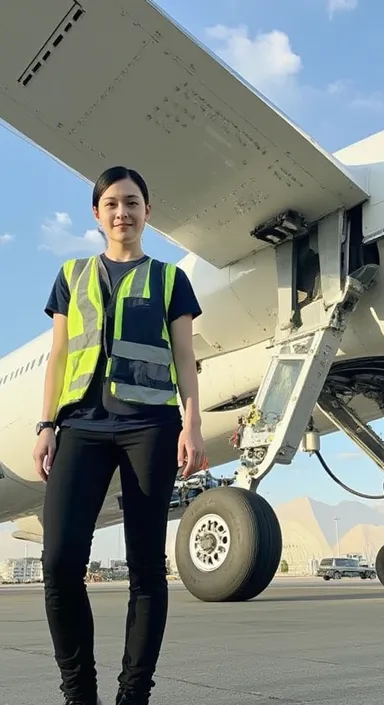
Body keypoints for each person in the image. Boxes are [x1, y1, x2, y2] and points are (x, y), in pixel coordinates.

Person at [32, 166, 205, 705]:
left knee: (147, 567)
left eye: (132, 203)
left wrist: (192, 423)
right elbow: (59, 354)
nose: (122, 213)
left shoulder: (171, 279)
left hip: (149, 425)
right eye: (111, 203)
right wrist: (46, 424)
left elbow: (184, 356)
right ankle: (78, 691)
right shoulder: (72, 274)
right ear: (97, 213)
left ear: (147, 212)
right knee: (59, 559)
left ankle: (134, 694)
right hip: (81, 424)